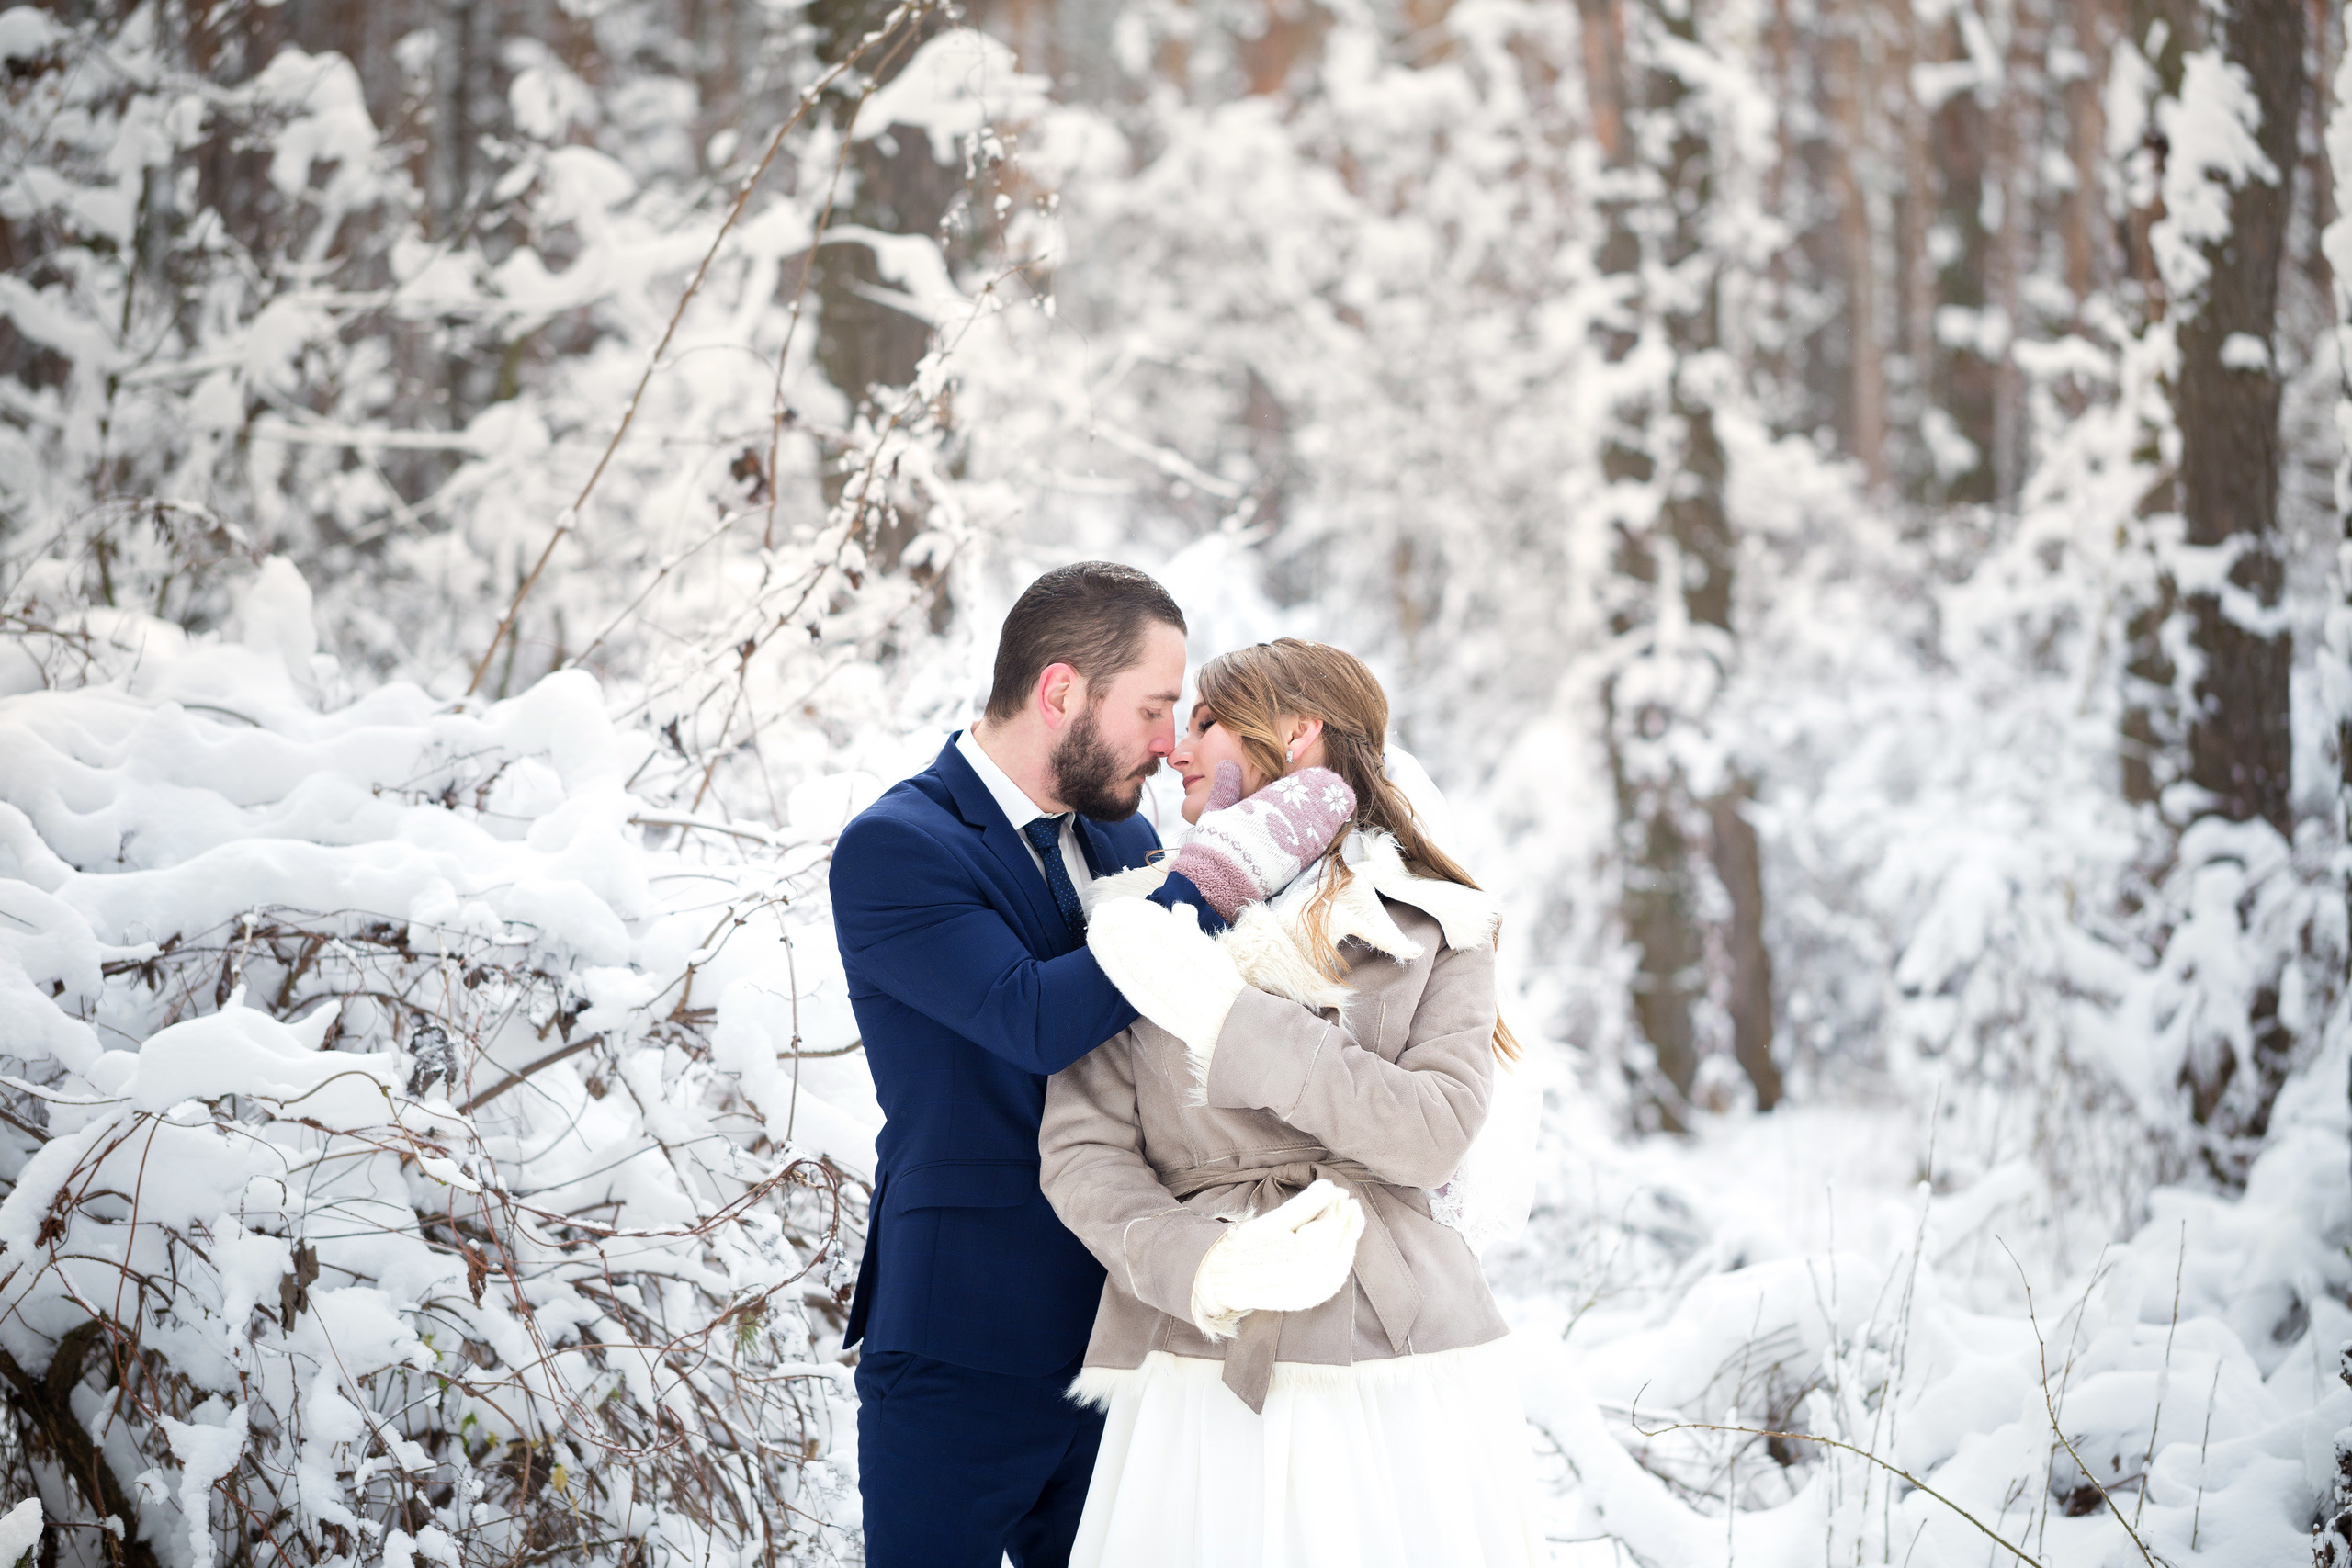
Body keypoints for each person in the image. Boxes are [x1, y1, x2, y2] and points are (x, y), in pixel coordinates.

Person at [828, 567, 1352, 1568]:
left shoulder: (1125, 834)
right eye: (1154, 710)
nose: (1169, 745)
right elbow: (1031, 1019)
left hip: (1128, 1339)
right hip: (962, 1344)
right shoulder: (898, 848)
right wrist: (1212, 879)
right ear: (1060, 691)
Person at [1039, 637, 1547, 1568]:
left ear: (1298, 731)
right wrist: (1200, 1267)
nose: (1173, 749)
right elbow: (1082, 1153)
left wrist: (1231, 1021)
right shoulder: (1140, 925)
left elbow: (1433, 1130)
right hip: (1202, 1352)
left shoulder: (1435, 919)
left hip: (1398, 1350)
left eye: (1204, 722)